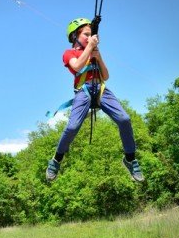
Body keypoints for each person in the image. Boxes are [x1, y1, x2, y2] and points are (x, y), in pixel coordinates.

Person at [46, 17, 144, 182]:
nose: (91, 38)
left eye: (92, 35)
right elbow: (76, 66)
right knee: (72, 127)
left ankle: (130, 158)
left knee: (124, 119)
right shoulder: (69, 53)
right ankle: (56, 159)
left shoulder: (94, 52)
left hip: (101, 89)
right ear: (75, 37)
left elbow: (105, 75)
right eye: (86, 34)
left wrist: (98, 57)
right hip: (83, 91)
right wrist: (90, 48)